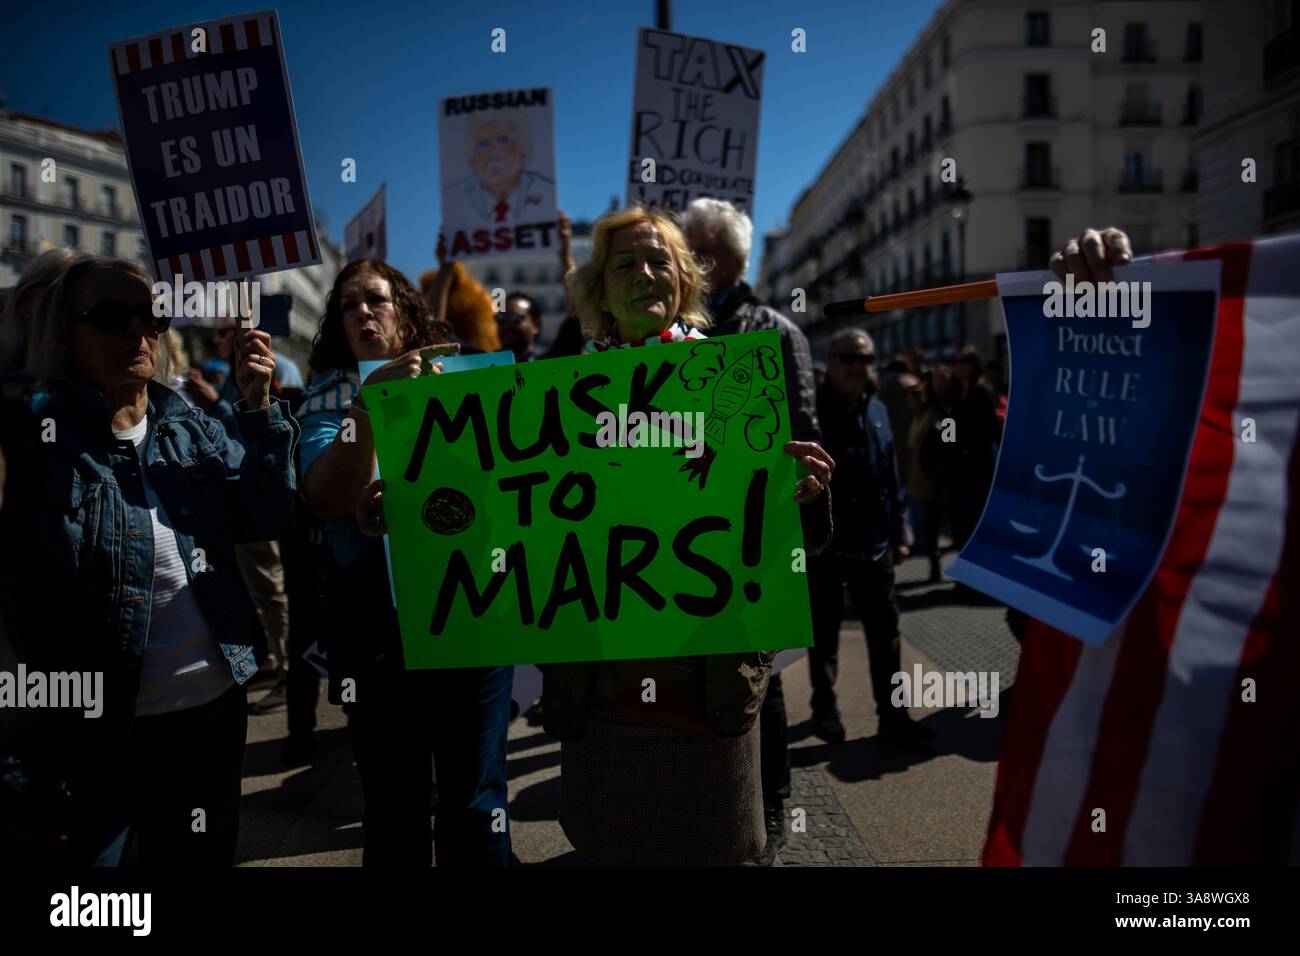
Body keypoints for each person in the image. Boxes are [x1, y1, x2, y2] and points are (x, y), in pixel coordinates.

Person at [452, 204, 834, 866]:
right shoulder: (556, 402)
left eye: (661, 260)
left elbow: (790, 546)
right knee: (610, 844)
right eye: (624, 263)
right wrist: (420, 502)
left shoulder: (735, 386)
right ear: (598, 290)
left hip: (708, 691)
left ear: (685, 281)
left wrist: (808, 495)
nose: (645, 274)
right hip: (601, 693)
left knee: (712, 848)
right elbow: (511, 520)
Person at [0, 256, 298, 865]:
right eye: (112, 317)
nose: (138, 333)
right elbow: (20, 595)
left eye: (153, 315)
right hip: (102, 729)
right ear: (65, 332)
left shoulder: (188, 424)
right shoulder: (34, 436)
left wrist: (259, 406)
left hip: (213, 712)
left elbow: (266, 516)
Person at [296, 258, 512, 867]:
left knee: (476, 802)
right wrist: (368, 404)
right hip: (376, 634)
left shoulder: (458, 372)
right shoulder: (329, 395)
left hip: (471, 615)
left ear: (404, 309)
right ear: (338, 323)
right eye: (350, 305)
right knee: (395, 808)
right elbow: (330, 498)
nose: (365, 312)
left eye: (378, 300)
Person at [679, 196, 823, 865]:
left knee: (757, 680)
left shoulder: (772, 329)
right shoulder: (673, 330)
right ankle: (708, 805)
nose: (689, 262)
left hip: (751, 535)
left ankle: (768, 808)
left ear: (732, 259)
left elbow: (798, 437)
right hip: (682, 539)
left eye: (700, 251)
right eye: (687, 249)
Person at [809, 329, 935, 747]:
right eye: (849, 358)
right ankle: (824, 709)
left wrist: (901, 531)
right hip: (826, 544)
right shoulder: (810, 412)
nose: (859, 367)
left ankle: (893, 715)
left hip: (874, 543)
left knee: (885, 634)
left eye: (866, 359)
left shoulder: (878, 410)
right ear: (831, 362)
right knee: (824, 634)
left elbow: (890, 474)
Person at [441, 110, 556, 228]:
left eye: (503, 141)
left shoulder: (548, 194)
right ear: (472, 158)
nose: (494, 153)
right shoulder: (453, 200)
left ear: (523, 150)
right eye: (483, 144)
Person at [908, 365, 955, 583]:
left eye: (944, 380)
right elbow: (914, 399)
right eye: (936, 380)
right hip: (924, 474)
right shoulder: (928, 408)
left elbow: (949, 444)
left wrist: (940, 473)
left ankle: (940, 566)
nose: (940, 384)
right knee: (929, 525)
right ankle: (934, 564)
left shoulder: (947, 410)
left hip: (938, 475)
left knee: (938, 523)